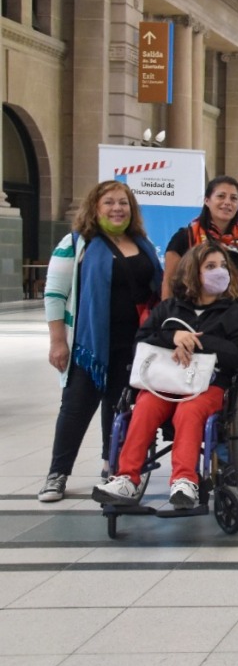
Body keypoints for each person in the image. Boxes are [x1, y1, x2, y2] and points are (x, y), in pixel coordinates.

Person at [93, 242, 238, 508]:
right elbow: (141, 343)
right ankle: (126, 478)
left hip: (209, 387)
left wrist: (201, 343)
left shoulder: (234, 313)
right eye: (211, 267)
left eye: (223, 266)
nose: (220, 272)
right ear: (193, 272)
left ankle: (184, 480)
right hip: (164, 384)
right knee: (144, 406)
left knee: (189, 412)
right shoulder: (169, 309)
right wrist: (174, 337)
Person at [39, 181, 164, 503]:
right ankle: (58, 473)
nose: (117, 209)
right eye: (109, 203)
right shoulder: (76, 244)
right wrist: (57, 342)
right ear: (95, 207)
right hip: (90, 345)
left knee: (120, 408)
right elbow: (55, 294)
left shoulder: (143, 243)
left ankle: (114, 467)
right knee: (76, 409)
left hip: (134, 344)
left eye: (123, 203)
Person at [162, 176, 238, 342]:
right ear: (207, 200)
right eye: (221, 196)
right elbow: (169, 282)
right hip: (193, 322)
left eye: (233, 198)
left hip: (236, 323)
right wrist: (168, 321)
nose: (227, 202)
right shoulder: (184, 238)